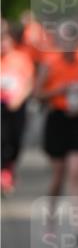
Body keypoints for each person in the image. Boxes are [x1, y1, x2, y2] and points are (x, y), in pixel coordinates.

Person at [33, 24, 78, 211]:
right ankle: (51, 214)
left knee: (76, 171)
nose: (70, 44)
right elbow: (37, 93)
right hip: (58, 120)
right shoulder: (50, 64)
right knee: (59, 175)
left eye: (73, 39)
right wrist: (58, 91)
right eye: (66, 39)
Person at [1, 20, 35, 194]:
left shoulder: (21, 58)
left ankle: (10, 165)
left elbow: (29, 82)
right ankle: (3, 172)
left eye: (4, 40)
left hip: (17, 106)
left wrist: (19, 98)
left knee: (15, 140)